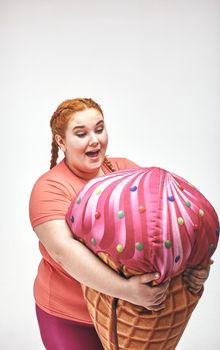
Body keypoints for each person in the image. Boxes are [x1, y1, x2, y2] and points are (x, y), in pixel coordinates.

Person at [29, 98, 210, 350]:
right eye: (81, 134)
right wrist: (126, 290)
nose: (94, 140)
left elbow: (163, 228)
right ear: (61, 141)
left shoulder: (126, 170)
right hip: (69, 315)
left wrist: (194, 266)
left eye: (99, 129)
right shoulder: (50, 188)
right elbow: (63, 252)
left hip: (130, 314)